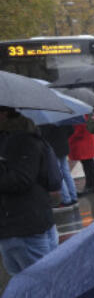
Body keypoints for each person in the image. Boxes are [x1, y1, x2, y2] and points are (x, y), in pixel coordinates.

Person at [0, 107, 59, 274]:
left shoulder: (19, 141)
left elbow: (20, 179)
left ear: (3, 114)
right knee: (40, 283)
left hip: (22, 226)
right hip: (28, 222)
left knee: (38, 286)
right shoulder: (24, 136)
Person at [40, 123, 77, 208]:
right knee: (66, 172)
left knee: (59, 173)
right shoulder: (61, 116)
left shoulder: (45, 122)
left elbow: (43, 134)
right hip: (63, 145)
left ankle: (66, 199)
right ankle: (73, 196)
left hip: (53, 148)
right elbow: (71, 130)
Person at [68, 123, 94, 195]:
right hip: (84, 141)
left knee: (88, 164)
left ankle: (91, 186)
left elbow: (80, 130)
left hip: (82, 141)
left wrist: (70, 137)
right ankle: (91, 186)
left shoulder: (81, 116)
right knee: (88, 164)